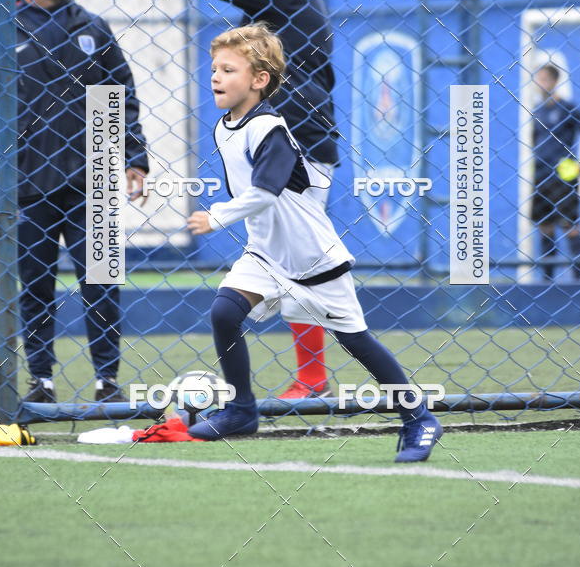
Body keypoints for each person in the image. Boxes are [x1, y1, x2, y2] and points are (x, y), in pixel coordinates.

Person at [185, 23, 442, 461]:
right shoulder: (225, 127)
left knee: (356, 341)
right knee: (225, 313)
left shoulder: (269, 128)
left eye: (228, 70)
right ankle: (242, 410)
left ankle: (419, 418)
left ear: (259, 79)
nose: (216, 77)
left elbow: (265, 192)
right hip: (266, 255)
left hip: (314, 260)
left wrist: (216, 216)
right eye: (214, 69)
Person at [119, 0, 337, 400]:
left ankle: (312, 378)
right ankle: (309, 376)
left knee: (297, 260)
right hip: (282, 143)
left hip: (297, 146)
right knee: (287, 257)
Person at [0, 0, 150, 403]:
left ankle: (107, 382)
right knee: (35, 287)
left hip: (92, 180)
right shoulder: (1, 32)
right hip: (26, 181)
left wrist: (134, 156)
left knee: (101, 284)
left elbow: (120, 97)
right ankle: (41, 382)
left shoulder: (93, 27)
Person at [531, 63, 580, 281]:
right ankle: (546, 281)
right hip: (540, 175)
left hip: (563, 175)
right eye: (538, 79)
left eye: (545, 79)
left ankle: (579, 280)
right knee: (545, 227)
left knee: (569, 225)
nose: (540, 83)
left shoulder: (568, 109)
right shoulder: (537, 111)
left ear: (555, 81)